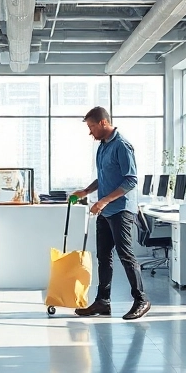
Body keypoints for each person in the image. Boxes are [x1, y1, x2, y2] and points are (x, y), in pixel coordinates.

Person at [71, 107, 151, 321]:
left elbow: (130, 180)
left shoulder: (122, 146)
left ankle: (141, 300)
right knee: (103, 256)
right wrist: (87, 191)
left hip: (121, 209)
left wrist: (104, 200)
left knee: (125, 254)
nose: (90, 132)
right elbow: (105, 178)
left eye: (91, 127)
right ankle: (103, 302)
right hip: (105, 210)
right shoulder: (103, 147)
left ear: (103, 123)